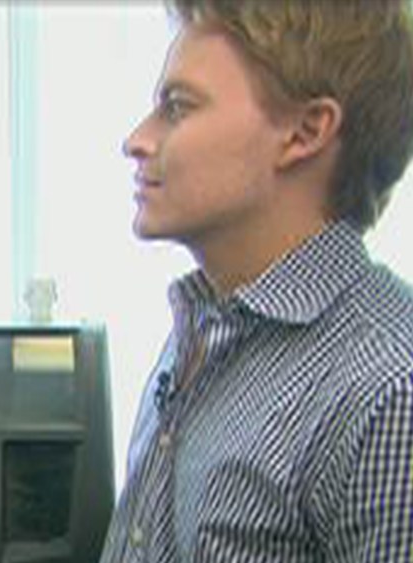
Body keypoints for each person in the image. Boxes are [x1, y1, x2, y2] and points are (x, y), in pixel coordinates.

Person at [102, 1, 413, 562]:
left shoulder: (388, 388)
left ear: (304, 132)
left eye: (178, 107)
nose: (136, 140)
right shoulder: (207, 325)